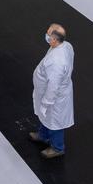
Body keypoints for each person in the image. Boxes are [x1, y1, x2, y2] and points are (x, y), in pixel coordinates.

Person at [29, 23, 74, 158]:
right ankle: (43, 135)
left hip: (54, 97)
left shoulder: (57, 62)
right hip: (54, 92)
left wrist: (46, 102)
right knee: (47, 118)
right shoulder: (66, 45)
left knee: (55, 122)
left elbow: (53, 86)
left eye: (48, 34)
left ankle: (57, 147)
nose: (46, 35)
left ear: (54, 39)